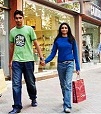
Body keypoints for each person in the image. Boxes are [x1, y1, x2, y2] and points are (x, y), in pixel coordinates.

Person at [9, 10, 44, 114]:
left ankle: (33, 98)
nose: (18, 20)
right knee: (16, 84)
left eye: (20, 18)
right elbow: (11, 47)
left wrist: (41, 57)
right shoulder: (12, 31)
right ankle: (17, 106)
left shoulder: (29, 29)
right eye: (16, 18)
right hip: (16, 61)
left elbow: (36, 44)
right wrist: (10, 61)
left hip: (28, 60)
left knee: (30, 83)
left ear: (23, 18)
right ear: (14, 19)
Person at [41, 22, 80, 113]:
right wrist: (45, 61)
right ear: (60, 29)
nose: (64, 29)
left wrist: (77, 67)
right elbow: (53, 53)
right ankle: (65, 99)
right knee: (63, 85)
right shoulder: (57, 40)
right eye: (62, 28)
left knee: (67, 85)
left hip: (70, 64)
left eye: (66, 28)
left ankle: (67, 106)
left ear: (68, 29)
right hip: (60, 65)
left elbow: (75, 54)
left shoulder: (72, 39)